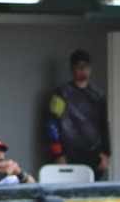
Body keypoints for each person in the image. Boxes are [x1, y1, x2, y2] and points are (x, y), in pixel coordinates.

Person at [46, 49, 110, 179]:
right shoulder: (61, 94)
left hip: (94, 154)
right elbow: (52, 123)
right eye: (79, 67)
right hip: (69, 155)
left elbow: (104, 124)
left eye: (86, 66)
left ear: (90, 69)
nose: (83, 70)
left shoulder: (98, 95)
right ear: (72, 69)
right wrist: (58, 154)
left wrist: (107, 153)